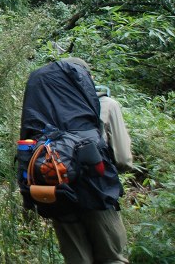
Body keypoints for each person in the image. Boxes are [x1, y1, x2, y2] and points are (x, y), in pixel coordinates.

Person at [22, 57, 131, 264]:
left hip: (57, 189)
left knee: (77, 259)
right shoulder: (106, 105)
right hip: (97, 190)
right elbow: (123, 159)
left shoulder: (45, 113)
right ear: (85, 78)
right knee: (112, 258)